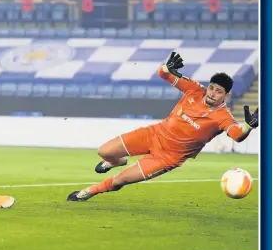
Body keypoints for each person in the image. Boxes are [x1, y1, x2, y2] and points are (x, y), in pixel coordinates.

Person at [67, 52, 259, 202]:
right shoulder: (195, 89)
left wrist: (248, 126)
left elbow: (236, 134)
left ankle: (88, 192)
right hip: (154, 134)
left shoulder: (223, 116)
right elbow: (163, 74)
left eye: (219, 92)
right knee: (104, 151)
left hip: (168, 157)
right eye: (212, 88)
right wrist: (167, 67)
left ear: (226, 97)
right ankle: (116, 161)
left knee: (119, 181)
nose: (212, 93)